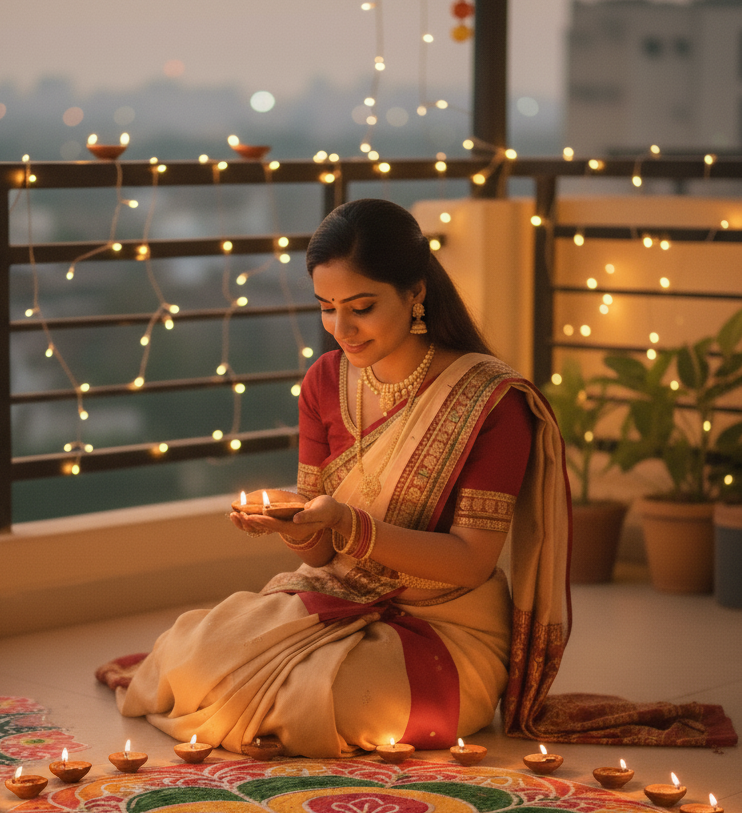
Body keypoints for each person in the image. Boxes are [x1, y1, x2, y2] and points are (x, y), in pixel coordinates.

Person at [96, 197, 573, 757]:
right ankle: (268, 715)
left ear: (416, 292)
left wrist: (350, 525)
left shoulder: (490, 401)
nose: (341, 328)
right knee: (190, 652)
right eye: (326, 307)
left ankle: (270, 715)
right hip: (334, 595)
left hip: (444, 626)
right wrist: (295, 527)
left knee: (351, 701)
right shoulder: (325, 381)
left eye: (361, 306)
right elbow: (322, 557)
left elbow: (471, 560)